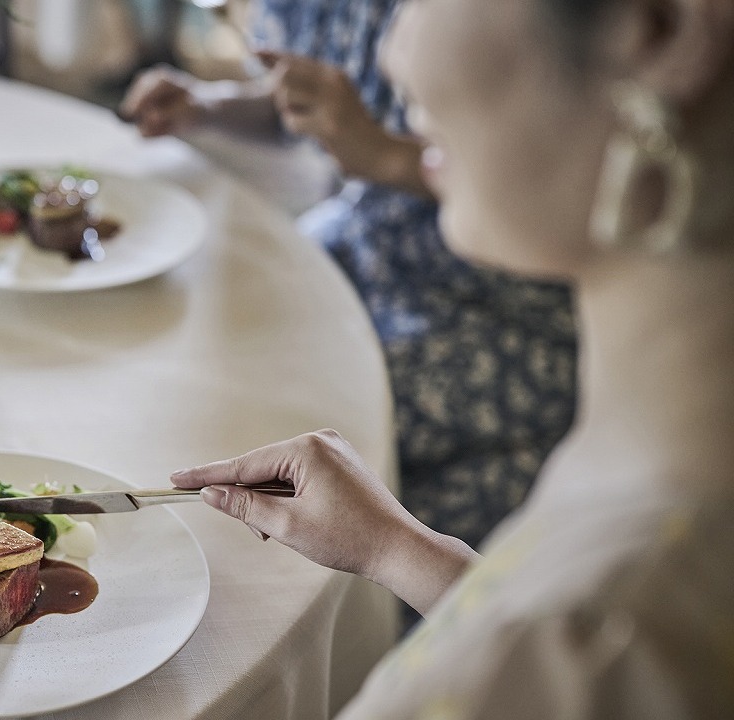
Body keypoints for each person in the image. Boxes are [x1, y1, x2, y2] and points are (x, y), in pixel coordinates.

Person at [171, 0, 734, 715]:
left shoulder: (599, 634)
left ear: (663, 29)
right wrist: (398, 551)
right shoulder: (659, 464)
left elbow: (574, 641)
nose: (389, 54)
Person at [120, 1, 579, 555]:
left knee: (302, 425)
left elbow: (566, 181)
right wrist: (208, 107)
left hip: (498, 292)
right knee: (204, 340)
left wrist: (382, 155)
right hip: (356, 239)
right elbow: (309, 97)